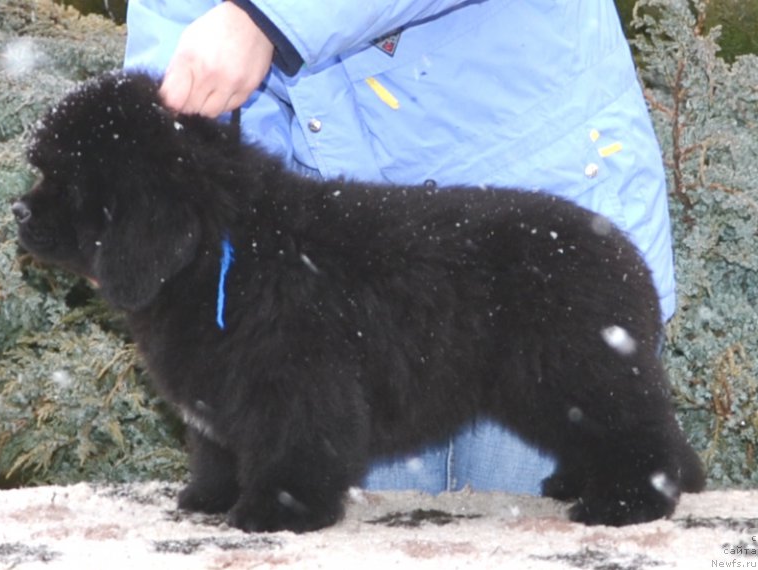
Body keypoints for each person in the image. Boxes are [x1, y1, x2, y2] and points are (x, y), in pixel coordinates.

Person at [123, 0, 676, 496]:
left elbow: (242, 32)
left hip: (532, 260)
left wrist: (266, 16)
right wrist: (169, 207)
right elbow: (187, 41)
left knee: (549, 529)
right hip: (354, 279)